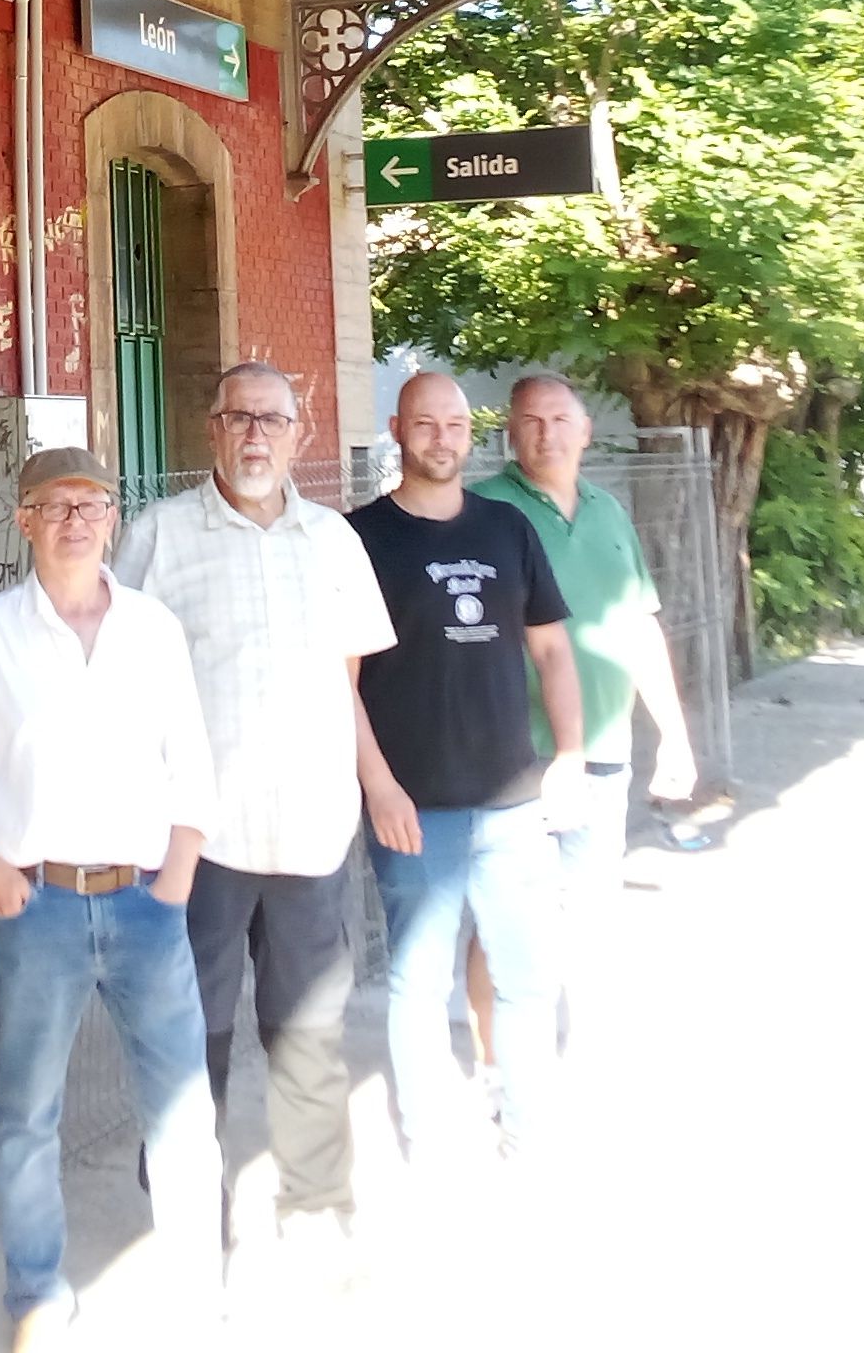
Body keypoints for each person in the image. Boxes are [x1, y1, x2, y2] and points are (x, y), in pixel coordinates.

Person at [0, 446, 223, 1346]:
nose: (75, 520)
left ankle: (195, 1289)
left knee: (181, 1111)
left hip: (145, 904)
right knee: (26, 1116)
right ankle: (37, 1294)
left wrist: (176, 878)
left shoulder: (153, 629)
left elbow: (193, 761)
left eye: (92, 504)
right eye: (54, 506)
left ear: (112, 518)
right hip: (38, 908)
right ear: (23, 520)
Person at [113, 362, 395, 1241]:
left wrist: (375, 781)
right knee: (191, 1025)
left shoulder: (336, 541)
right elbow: (124, 686)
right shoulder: (159, 537)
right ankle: (186, 1199)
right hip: (201, 837)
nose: (256, 435)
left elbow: (346, 678)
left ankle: (313, 1202)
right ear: (212, 427)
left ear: (300, 433)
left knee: (307, 1026)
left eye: (273, 420)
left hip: (310, 831)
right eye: (239, 417)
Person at [350, 370, 586, 1164]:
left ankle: (526, 1124)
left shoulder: (507, 529)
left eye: (454, 425)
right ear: (396, 429)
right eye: (425, 424)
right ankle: (429, 1138)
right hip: (416, 808)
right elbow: (338, 678)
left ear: (469, 432)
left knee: (526, 979)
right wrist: (378, 784)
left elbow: (552, 649)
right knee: (418, 987)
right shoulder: (360, 539)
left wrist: (571, 757)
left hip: (514, 801)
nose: (442, 439)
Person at [468, 370, 700, 1065]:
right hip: (516, 762)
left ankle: (583, 1058)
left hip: (604, 754)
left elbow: (639, 629)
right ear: (510, 431)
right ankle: (494, 1068)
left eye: (560, 420)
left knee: (590, 921)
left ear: (585, 430)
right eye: (531, 421)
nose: (546, 433)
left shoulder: (609, 513)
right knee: (503, 927)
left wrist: (676, 739)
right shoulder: (482, 510)